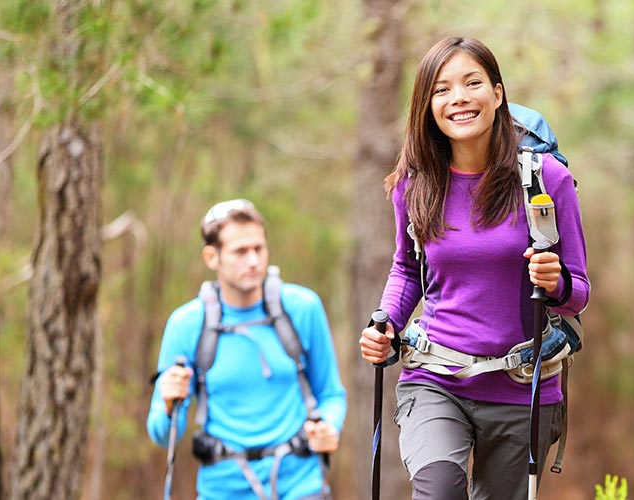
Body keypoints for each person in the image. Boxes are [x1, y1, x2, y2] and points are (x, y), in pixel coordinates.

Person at [359, 37, 590, 499]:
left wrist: (555, 281)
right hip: (435, 378)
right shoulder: (415, 184)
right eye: (442, 90)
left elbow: (578, 290)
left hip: (522, 388)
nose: (458, 98)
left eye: (472, 83)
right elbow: (407, 270)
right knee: (439, 490)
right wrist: (385, 323)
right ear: (427, 107)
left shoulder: (547, 179)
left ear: (498, 94)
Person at [148, 199, 347, 500]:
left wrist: (329, 427)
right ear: (211, 257)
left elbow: (331, 394)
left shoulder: (302, 308)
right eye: (240, 251)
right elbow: (163, 437)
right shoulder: (186, 324)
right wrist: (167, 402)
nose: (253, 260)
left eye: (259, 249)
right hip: (222, 489)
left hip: (301, 485)